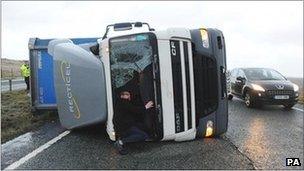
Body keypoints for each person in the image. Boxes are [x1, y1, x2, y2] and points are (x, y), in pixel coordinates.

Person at [113, 89, 154, 155]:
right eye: (126, 95)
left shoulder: (120, 103)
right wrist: (146, 107)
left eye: (128, 95)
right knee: (143, 135)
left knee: (143, 127)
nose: (128, 96)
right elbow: (135, 110)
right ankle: (121, 142)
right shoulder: (123, 102)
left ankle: (129, 140)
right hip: (125, 127)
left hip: (124, 125)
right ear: (121, 96)